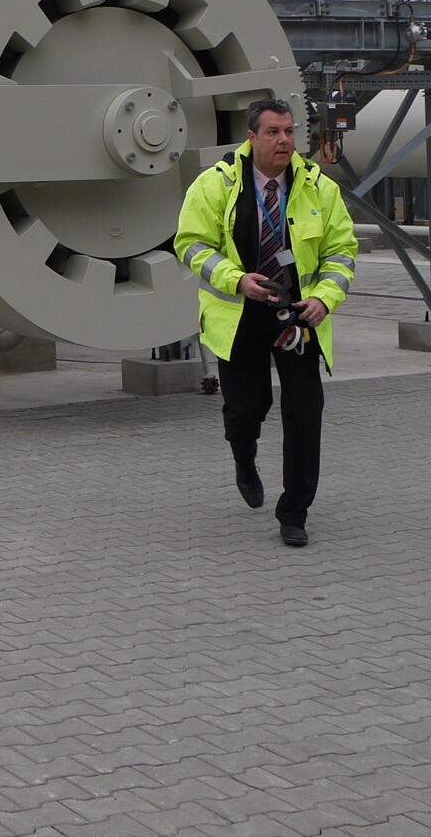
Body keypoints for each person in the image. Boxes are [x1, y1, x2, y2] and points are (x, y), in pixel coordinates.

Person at [172, 98, 357, 547]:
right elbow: (191, 244)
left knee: (305, 412)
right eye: (273, 132)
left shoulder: (319, 187)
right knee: (247, 408)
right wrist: (236, 280)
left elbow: (342, 251)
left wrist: (324, 298)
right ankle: (243, 454)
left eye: (290, 132)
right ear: (252, 137)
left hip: (298, 314)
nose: (284, 141)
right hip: (241, 314)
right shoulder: (215, 184)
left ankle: (294, 512)